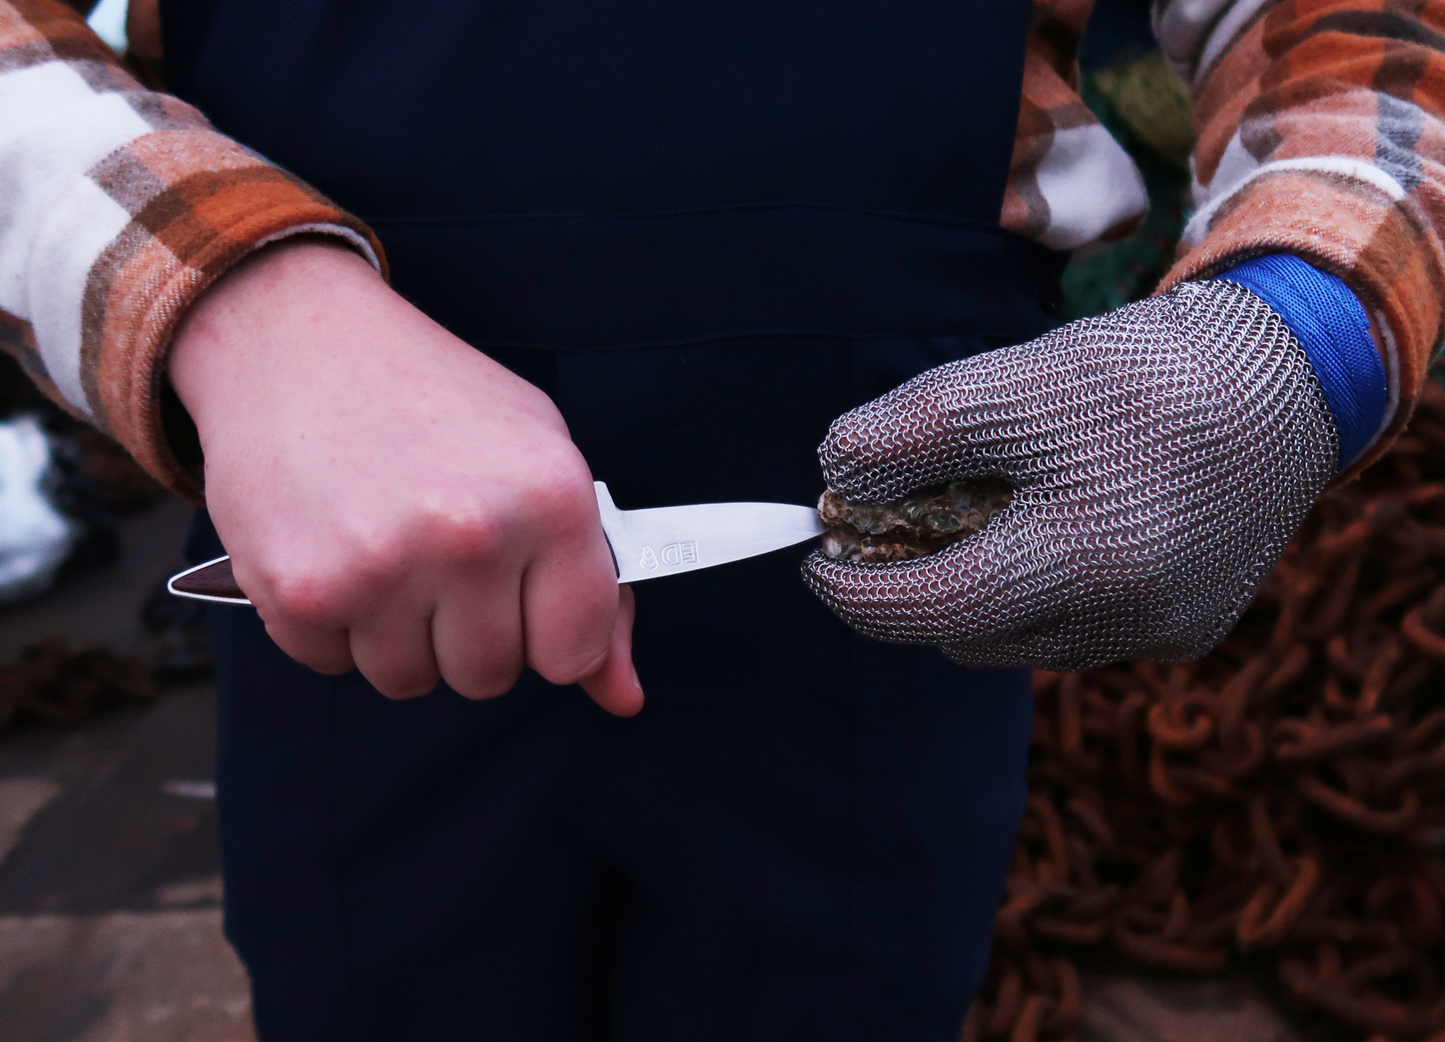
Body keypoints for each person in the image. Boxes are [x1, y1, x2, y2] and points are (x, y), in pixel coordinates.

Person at [1, 0, 1440, 1038]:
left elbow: (1363, 24)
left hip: (897, 546)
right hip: (355, 564)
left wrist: (1299, 337)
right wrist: (242, 301)